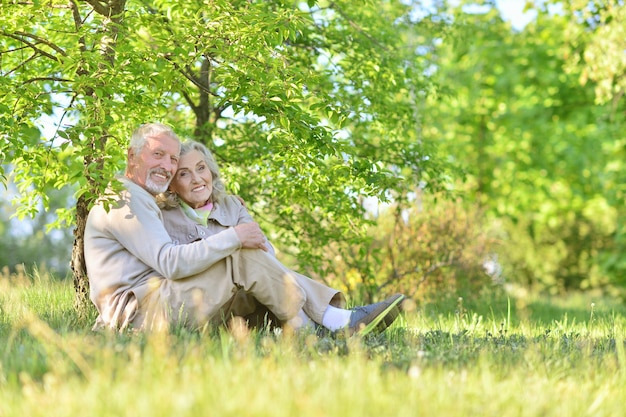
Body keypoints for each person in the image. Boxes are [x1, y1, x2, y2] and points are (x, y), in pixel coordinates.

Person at [84, 122, 404, 335]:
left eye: (171, 159)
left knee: (246, 264)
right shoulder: (126, 198)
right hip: (136, 314)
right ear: (132, 156)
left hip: (152, 303)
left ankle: (321, 324)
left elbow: (265, 256)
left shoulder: (138, 197)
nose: (167, 167)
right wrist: (234, 237)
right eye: (158, 156)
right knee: (238, 256)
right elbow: (171, 262)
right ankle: (327, 326)